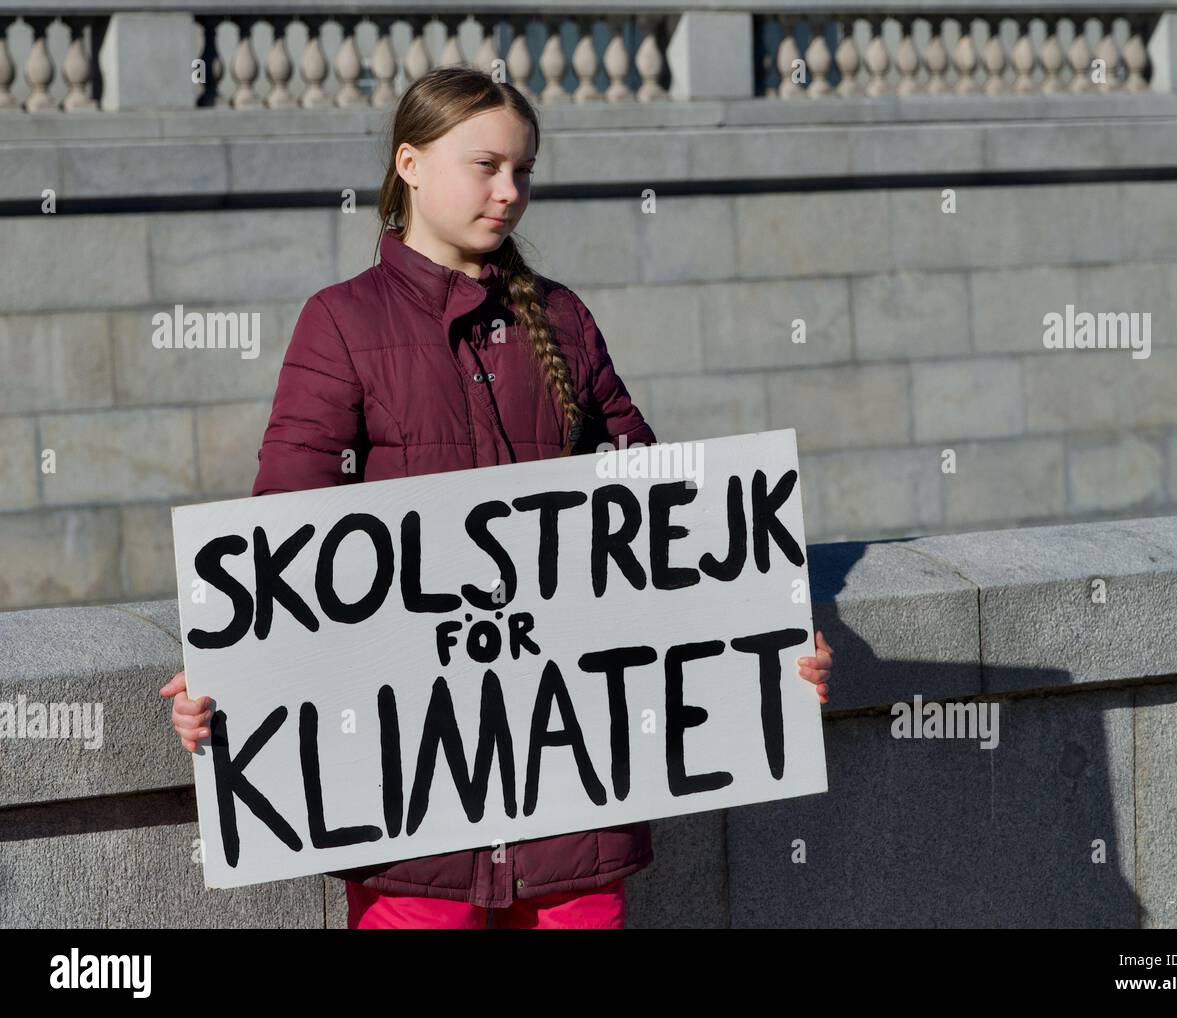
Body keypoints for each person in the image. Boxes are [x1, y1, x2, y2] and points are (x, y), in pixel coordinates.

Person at [161, 66, 834, 929]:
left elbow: (659, 520)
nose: (510, 192)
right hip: (413, 807)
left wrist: (762, 634)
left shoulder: (562, 319)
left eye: (524, 171)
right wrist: (231, 666)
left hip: (573, 792)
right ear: (409, 163)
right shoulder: (342, 323)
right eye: (485, 166)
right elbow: (286, 527)